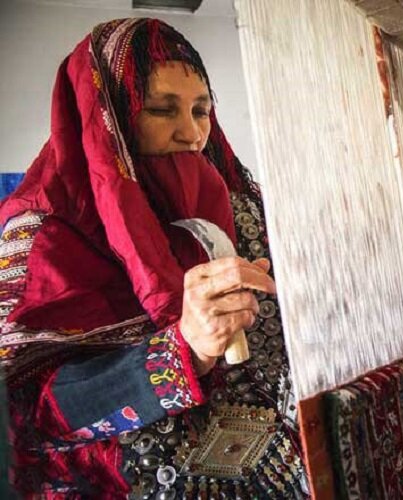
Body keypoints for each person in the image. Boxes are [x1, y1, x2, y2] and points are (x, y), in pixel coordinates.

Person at [0, 18, 307, 498]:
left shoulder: (235, 207)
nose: (191, 133)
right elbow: (24, 416)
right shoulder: (46, 232)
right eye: (164, 110)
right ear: (112, 117)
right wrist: (182, 351)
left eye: (202, 110)